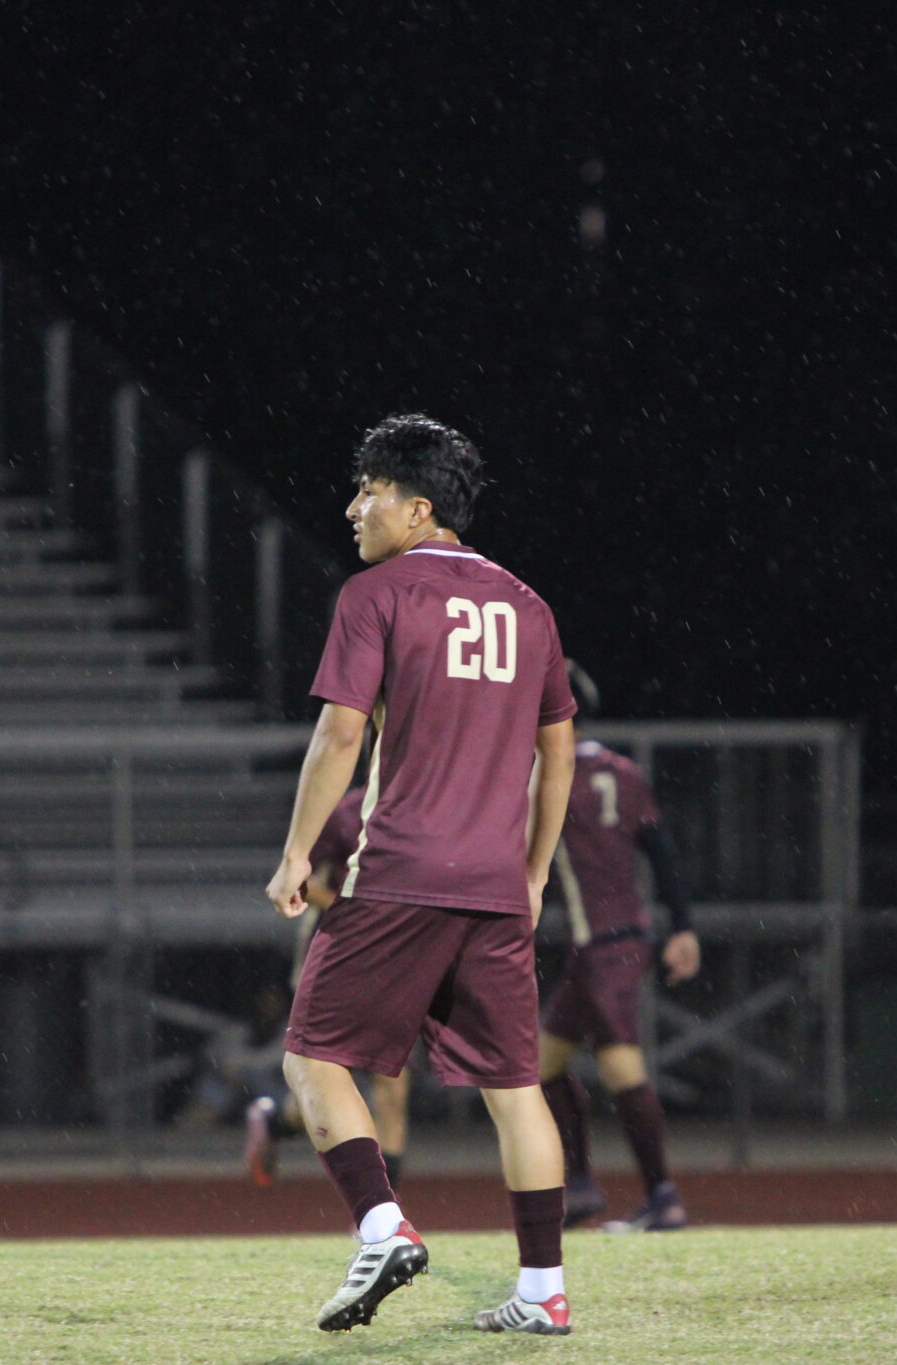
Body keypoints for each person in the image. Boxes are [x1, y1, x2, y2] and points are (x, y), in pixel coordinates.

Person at [265, 414, 578, 1336]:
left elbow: (340, 731)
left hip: (399, 870)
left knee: (310, 1057)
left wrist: (294, 852)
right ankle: (543, 1290)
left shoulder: (379, 592)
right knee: (517, 1091)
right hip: (492, 882)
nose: (355, 505)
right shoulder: (530, 604)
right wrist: (533, 873)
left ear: (418, 507)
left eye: (370, 489)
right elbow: (557, 753)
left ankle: (381, 1224)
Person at [538, 660, 700, 1233]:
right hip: (618, 939)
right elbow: (663, 852)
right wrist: (682, 926)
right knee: (544, 1064)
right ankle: (583, 1185)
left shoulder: (549, 774)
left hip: (602, 945)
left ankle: (661, 1194)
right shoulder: (624, 771)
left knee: (619, 1063)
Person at [245, 784, 414, 1189]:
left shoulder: (428, 803)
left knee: (392, 1087)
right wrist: (363, 910)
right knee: (327, 1077)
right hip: (343, 954)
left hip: (399, 957)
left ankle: (379, 1220)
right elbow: (300, 881)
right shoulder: (346, 812)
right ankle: (276, 1119)